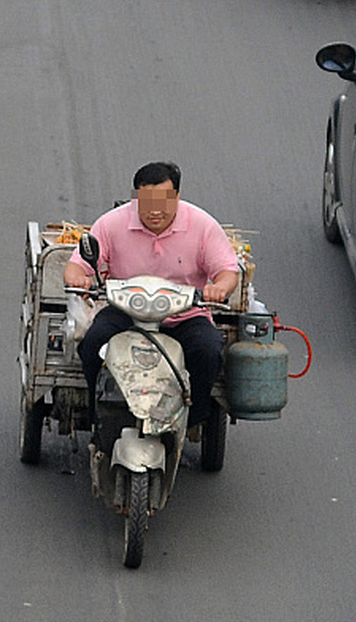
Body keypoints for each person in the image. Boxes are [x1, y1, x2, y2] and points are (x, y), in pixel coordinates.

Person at [63, 162, 241, 432]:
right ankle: (96, 410)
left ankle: (194, 416)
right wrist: (78, 277)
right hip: (125, 312)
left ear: (177, 197)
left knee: (208, 351)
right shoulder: (112, 224)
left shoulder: (203, 226)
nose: (155, 211)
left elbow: (227, 272)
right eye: (147, 202)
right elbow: (77, 265)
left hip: (184, 315)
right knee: (93, 343)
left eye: (163, 202)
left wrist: (220, 287)